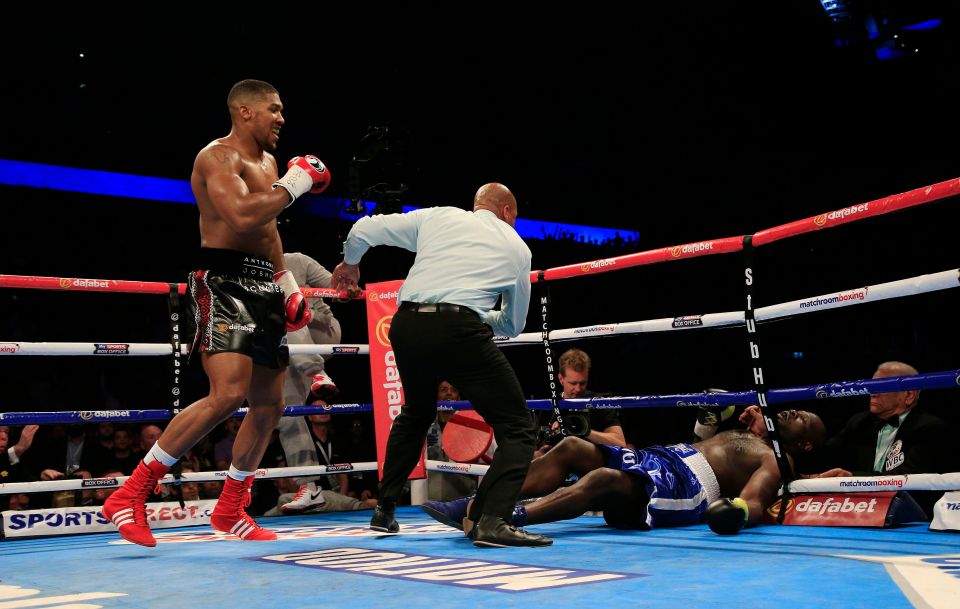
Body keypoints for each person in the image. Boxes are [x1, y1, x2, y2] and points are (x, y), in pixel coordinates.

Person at [101, 78, 330, 547]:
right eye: (274, 109)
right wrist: (297, 183)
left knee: (270, 405)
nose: (282, 118)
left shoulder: (267, 162)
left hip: (264, 285)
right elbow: (243, 216)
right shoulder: (216, 157)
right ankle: (131, 492)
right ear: (245, 112)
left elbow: (267, 231)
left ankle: (230, 509)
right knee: (227, 394)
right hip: (223, 283)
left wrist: (285, 280)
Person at [330, 182, 550, 547]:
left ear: (476, 205)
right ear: (509, 212)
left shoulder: (440, 217)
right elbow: (513, 325)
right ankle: (492, 520)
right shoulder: (517, 247)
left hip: (406, 325)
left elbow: (362, 229)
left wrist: (350, 264)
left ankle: (384, 510)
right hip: (459, 328)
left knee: (416, 412)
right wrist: (482, 316)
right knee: (517, 428)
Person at [423, 409, 826, 537]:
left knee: (599, 480)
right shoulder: (749, 427)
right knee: (571, 448)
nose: (794, 412)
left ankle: (502, 518)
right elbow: (703, 434)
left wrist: (733, 511)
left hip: (690, 485)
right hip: (667, 459)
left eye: (804, 418)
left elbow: (755, 501)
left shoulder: (777, 458)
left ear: (804, 444)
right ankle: (477, 503)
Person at [814, 361, 953, 517]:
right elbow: (827, 454)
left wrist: (853, 478)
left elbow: (909, 477)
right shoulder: (859, 422)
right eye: (871, 385)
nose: (872, 392)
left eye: (881, 386)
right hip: (857, 509)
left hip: (911, 515)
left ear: (908, 395)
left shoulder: (931, 428)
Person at [276, 251, 347, 508]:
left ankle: (316, 371)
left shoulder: (296, 260)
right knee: (285, 410)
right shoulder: (247, 275)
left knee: (287, 304)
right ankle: (309, 487)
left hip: (322, 330)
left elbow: (336, 285)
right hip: (286, 347)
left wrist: (348, 284)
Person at [534, 348, 625, 456]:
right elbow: (537, 445)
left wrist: (584, 430)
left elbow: (620, 443)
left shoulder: (597, 403)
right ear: (561, 379)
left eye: (582, 383)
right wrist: (538, 454)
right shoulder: (548, 407)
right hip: (557, 464)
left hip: (590, 464)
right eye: (573, 383)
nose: (578, 389)